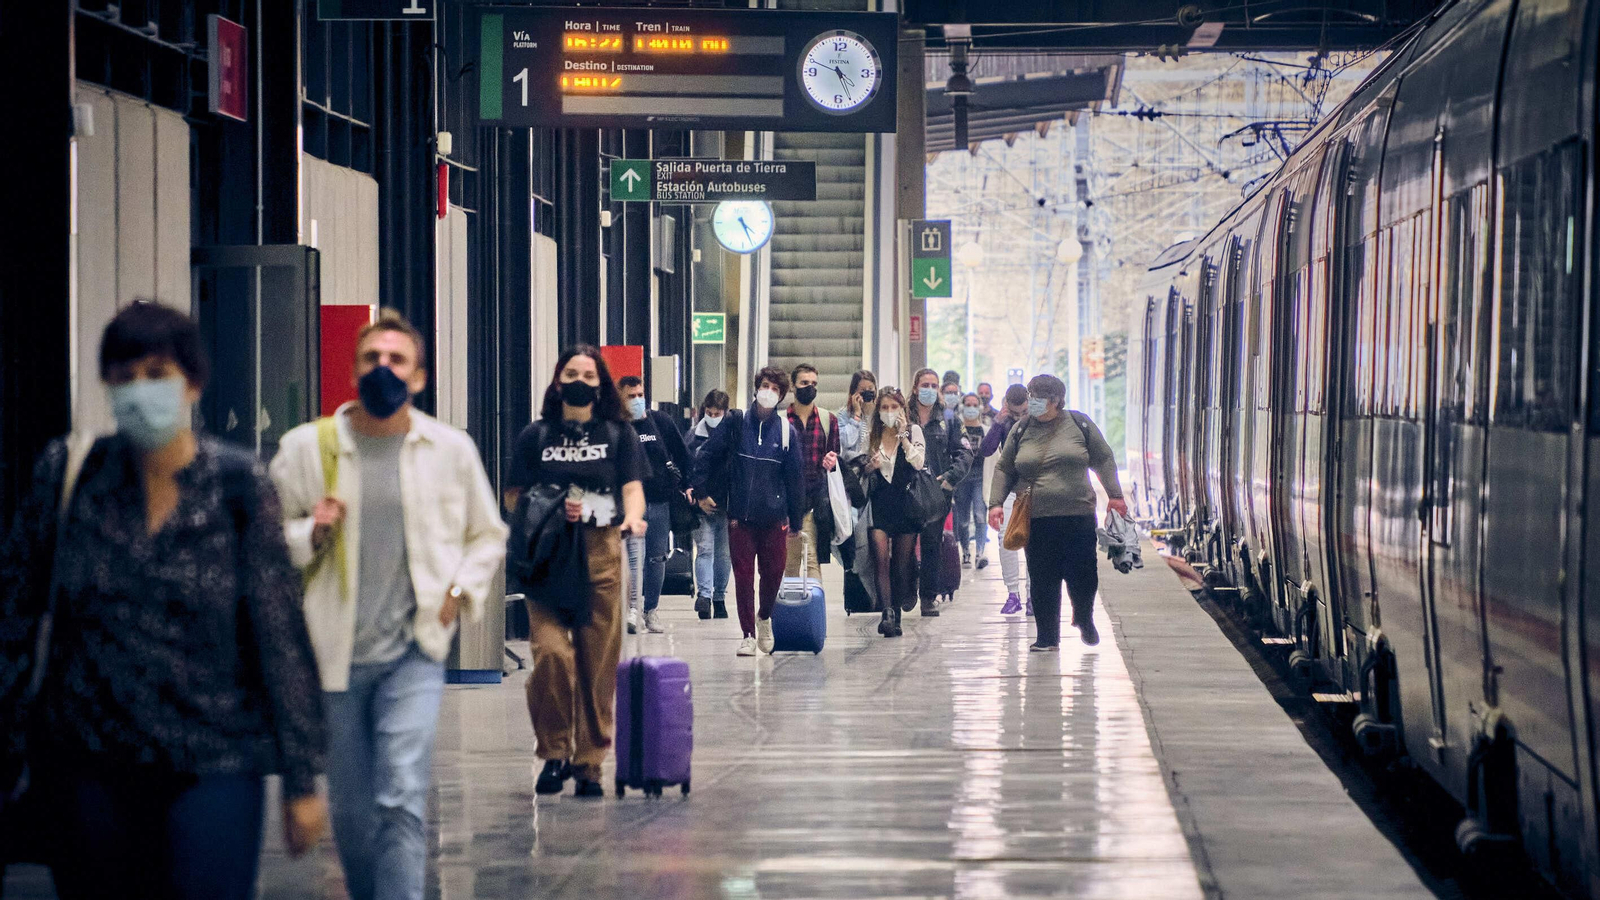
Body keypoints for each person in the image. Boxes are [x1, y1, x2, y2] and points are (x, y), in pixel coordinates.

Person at [0, 301, 326, 900]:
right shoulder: (69, 475)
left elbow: (277, 631)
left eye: (155, 375)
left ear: (192, 382)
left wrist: (302, 779)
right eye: (122, 378)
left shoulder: (238, 485)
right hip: (89, 759)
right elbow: (16, 619)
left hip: (213, 760)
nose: (137, 392)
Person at [272, 309, 506, 900]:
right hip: (333, 656)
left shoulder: (449, 450)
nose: (384, 369)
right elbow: (265, 542)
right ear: (353, 370)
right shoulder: (306, 449)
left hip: (415, 651)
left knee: (400, 794)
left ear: (419, 377)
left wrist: (460, 591)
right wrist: (311, 533)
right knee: (351, 812)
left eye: (397, 360)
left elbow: (488, 533)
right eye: (373, 359)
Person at [505, 346, 648, 798]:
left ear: (600, 382)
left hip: (600, 550)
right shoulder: (535, 435)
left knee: (596, 665)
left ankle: (589, 762)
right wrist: (546, 507)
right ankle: (552, 751)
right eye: (572, 372)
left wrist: (632, 518)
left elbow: (632, 488)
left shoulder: (618, 433)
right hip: (547, 555)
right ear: (557, 379)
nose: (580, 379)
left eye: (588, 373)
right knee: (551, 655)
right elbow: (512, 495)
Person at [988, 374, 1128, 650]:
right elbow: (1005, 467)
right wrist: (995, 503)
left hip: (1078, 513)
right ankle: (1047, 636)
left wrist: (1115, 494)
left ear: (1055, 401)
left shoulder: (1079, 423)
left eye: (1039, 399)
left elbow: (1103, 458)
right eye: (1031, 397)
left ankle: (1084, 618)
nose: (1033, 404)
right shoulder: (1021, 429)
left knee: (1083, 573)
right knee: (1042, 575)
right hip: (1037, 517)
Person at [690, 366, 804, 657]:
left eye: (775, 389)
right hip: (740, 515)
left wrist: (796, 519)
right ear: (756, 387)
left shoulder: (787, 432)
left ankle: (764, 617)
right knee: (743, 575)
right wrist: (701, 492)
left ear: (781, 395)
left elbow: (795, 478)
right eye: (765, 385)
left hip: (774, 517)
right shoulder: (736, 423)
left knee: (773, 573)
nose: (769, 392)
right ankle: (747, 634)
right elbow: (706, 456)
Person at [619, 375, 690, 635]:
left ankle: (651, 609)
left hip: (659, 500)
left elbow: (682, 454)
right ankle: (633, 609)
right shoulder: (617, 427)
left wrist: (688, 485)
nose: (637, 400)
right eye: (631, 396)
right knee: (634, 558)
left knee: (657, 558)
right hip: (629, 504)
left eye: (640, 394)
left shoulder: (660, 422)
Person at [906, 367, 973, 616]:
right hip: (907, 491)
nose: (930, 390)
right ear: (915, 388)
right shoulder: (904, 417)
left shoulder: (949, 420)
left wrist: (950, 477)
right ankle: (906, 590)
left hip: (937, 492)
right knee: (905, 542)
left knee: (932, 542)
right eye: (925, 385)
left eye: (935, 386)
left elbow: (965, 452)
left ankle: (928, 596)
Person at [859, 388, 924, 638]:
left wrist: (904, 436)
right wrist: (869, 466)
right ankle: (886, 612)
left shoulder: (914, 431)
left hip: (906, 503)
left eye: (893, 407)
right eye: (884, 408)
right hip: (879, 504)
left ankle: (895, 612)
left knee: (901, 563)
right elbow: (862, 467)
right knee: (880, 558)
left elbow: (919, 462)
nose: (888, 412)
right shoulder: (872, 433)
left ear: (902, 410)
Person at [785, 364, 841, 580]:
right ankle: (788, 610)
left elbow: (836, 457)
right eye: (804, 383)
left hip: (815, 498)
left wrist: (833, 460)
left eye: (813, 384)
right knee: (790, 562)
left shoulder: (828, 420)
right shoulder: (782, 420)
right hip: (787, 501)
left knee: (812, 559)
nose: (809, 388)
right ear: (793, 386)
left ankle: (813, 611)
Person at [980, 384, 1032, 615]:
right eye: (1015, 413)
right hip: (1010, 488)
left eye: (1024, 412)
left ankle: (1033, 595)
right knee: (1005, 539)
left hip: (1033, 488)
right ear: (1006, 406)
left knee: (1034, 542)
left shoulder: (1038, 420)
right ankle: (1013, 593)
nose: (1020, 417)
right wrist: (999, 423)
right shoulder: (1003, 422)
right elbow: (986, 450)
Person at [687, 390, 733, 620]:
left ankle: (719, 598)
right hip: (701, 504)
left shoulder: (733, 435)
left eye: (717, 413)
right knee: (705, 550)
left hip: (726, 504)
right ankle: (704, 596)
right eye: (709, 412)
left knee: (723, 554)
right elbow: (688, 469)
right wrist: (698, 496)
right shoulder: (694, 436)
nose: (712, 416)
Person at [953, 393, 990, 569]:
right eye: (968, 404)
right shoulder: (957, 428)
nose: (971, 408)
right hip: (962, 478)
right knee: (962, 519)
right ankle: (966, 550)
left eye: (975, 404)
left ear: (980, 408)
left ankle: (980, 552)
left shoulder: (985, 430)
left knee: (980, 515)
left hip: (980, 477)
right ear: (962, 406)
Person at [837, 369, 878, 463]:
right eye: (863, 390)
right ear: (854, 392)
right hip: (854, 465)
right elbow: (847, 442)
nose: (867, 392)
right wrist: (857, 415)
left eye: (870, 388)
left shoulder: (880, 413)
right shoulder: (844, 414)